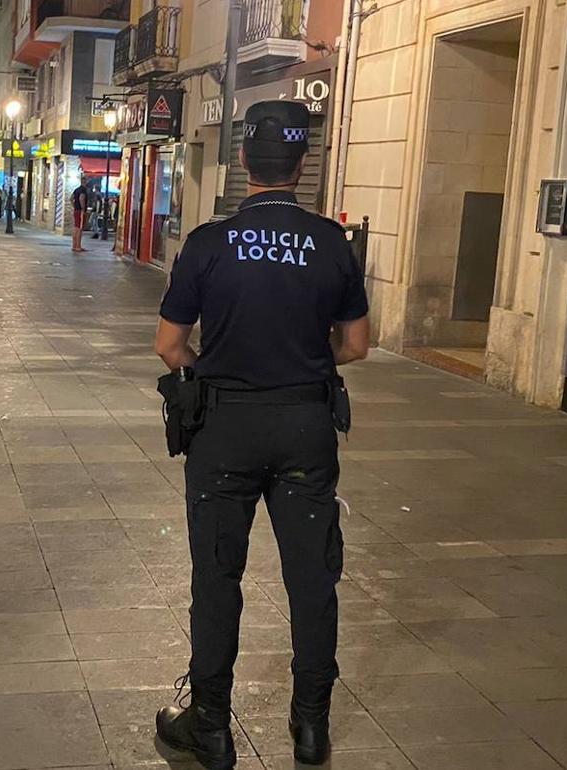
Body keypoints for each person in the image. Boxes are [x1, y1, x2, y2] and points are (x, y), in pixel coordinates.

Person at [152, 101, 369, 769]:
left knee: (217, 578)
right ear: (303, 165)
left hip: (224, 429)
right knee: (312, 580)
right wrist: (300, 360)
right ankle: (310, 729)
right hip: (305, 425)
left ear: (243, 161)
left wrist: (214, 367)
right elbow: (357, 344)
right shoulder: (332, 243)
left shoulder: (208, 243)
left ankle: (210, 726)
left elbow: (168, 345)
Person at [71, 176, 89, 252]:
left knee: (76, 227)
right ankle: (78, 246)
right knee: (79, 229)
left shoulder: (76, 189)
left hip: (76, 210)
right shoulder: (83, 190)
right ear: (85, 182)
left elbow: (71, 198)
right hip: (80, 211)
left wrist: (74, 206)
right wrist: (83, 209)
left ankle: (74, 245)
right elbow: (81, 198)